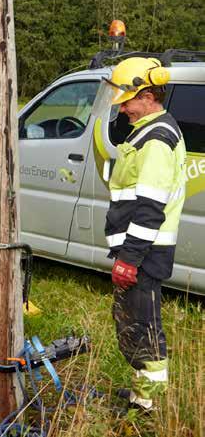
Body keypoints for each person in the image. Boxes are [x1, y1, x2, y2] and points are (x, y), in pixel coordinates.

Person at [105, 57, 186, 412]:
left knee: (143, 326)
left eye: (128, 100)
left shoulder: (156, 139)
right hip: (139, 250)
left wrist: (129, 258)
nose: (122, 109)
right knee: (131, 322)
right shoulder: (148, 129)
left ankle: (148, 405)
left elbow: (150, 208)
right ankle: (141, 392)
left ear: (149, 95)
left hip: (145, 252)